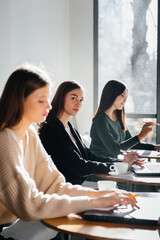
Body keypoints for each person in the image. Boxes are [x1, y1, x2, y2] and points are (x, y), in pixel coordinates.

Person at [0, 65, 138, 240]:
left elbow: (55, 186)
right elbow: (29, 204)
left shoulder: (30, 133)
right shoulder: (6, 139)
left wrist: (100, 194)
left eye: (48, 99)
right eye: (41, 100)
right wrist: (93, 201)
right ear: (20, 100)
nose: (49, 106)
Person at [39, 80, 139, 185]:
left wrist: (121, 162)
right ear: (61, 97)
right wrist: (118, 166)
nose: (78, 104)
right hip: (61, 190)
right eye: (74, 98)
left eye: (81, 100)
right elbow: (79, 166)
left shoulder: (69, 127)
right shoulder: (50, 130)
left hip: (74, 187)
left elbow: (88, 155)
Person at [90, 80, 160, 158]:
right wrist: (140, 135)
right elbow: (114, 150)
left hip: (114, 163)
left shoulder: (118, 118)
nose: (125, 101)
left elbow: (132, 144)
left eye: (126, 97)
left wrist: (154, 147)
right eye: (122, 96)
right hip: (101, 165)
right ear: (111, 95)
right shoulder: (100, 120)